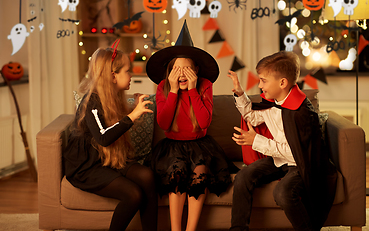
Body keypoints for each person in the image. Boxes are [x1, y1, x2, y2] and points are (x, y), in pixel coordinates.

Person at [227, 51, 337, 231]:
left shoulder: (302, 113)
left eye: (263, 80)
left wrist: (257, 141)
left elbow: (296, 152)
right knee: (243, 177)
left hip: (302, 164)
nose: (260, 85)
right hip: (280, 159)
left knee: (283, 193)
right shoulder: (273, 102)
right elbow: (252, 118)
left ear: (282, 83)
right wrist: (240, 93)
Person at [145, 20, 238, 231]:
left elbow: (204, 121)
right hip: (172, 146)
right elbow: (164, 123)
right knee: (177, 173)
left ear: (196, 70)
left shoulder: (205, 85)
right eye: (177, 69)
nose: (182, 74)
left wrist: (194, 90)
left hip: (200, 145)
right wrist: (174, 91)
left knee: (200, 173)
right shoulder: (164, 86)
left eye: (187, 69)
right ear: (169, 72)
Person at [63, 40, 158, 231]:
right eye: (128, 71)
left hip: (107, 158)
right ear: (113, 76)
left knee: (147, 176)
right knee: (133, 194)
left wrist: (132, 107)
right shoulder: (92, 100)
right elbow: (103, 137)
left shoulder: (114, 96)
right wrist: (132, 115)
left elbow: (113, 125)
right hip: (87, 166)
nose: (131, 75)